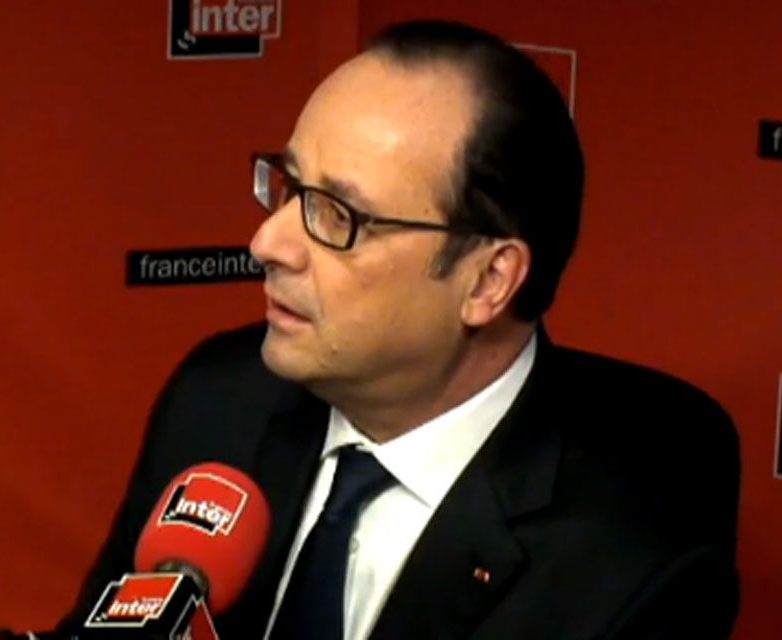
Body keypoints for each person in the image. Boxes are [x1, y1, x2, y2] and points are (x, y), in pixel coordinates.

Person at [52, 19, 740, 640]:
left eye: (339, 216)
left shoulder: (636, 540)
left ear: (488, 280)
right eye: (290, 187)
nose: (267, 243)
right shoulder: (221, 402)